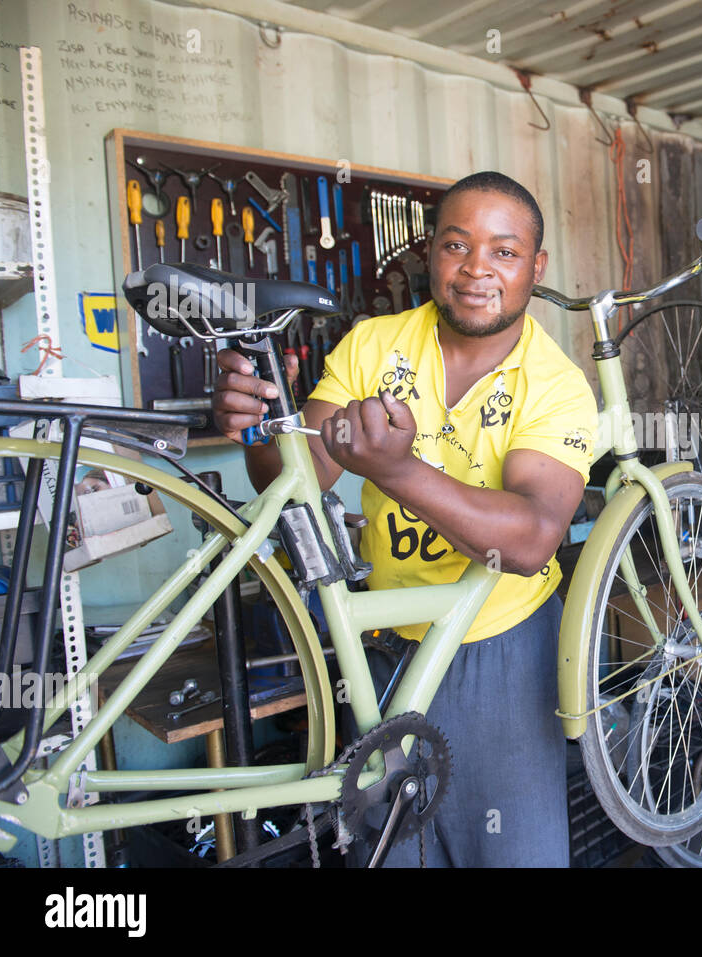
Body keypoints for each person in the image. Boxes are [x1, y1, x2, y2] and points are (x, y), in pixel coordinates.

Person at [212, 171, 598, 866]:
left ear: (536, 268)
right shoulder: (373, 346)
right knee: (389, 849)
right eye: (456, 245)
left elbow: (533, 539)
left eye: (504, 252)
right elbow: (297, 480)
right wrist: (257, 433)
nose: (477, 268)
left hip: (501, 649)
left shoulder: (559, 385)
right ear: (430, 254)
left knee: (512, 853)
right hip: (386, 644)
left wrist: (397, 470)